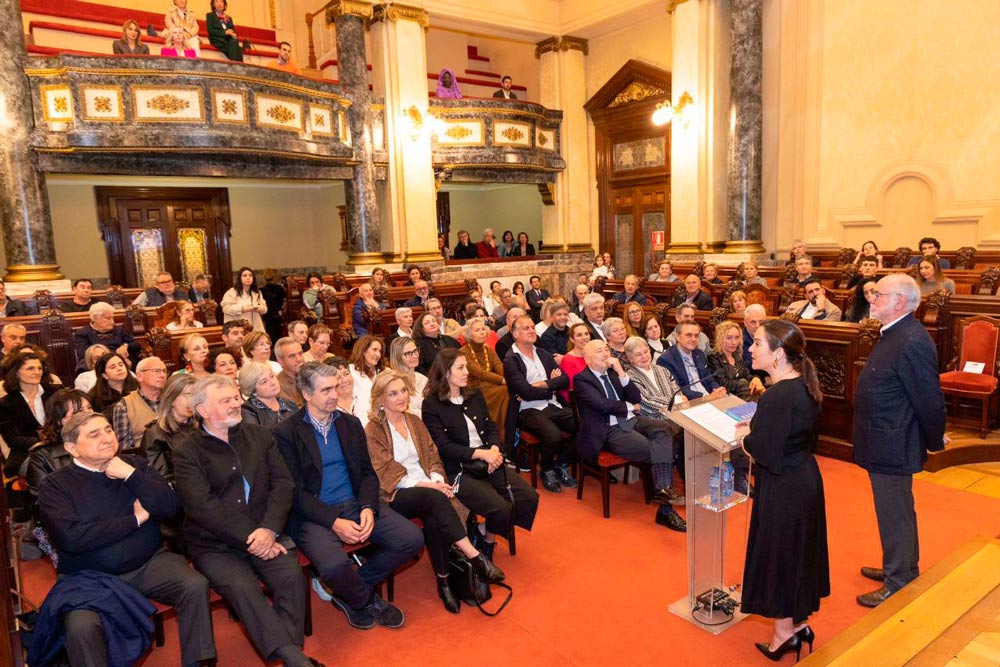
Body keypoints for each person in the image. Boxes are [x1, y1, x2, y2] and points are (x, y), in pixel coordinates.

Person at [37, 412, 216, 667]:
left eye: (108, 430)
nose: (107, 438)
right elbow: (73, 538)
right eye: (94, 434)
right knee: (81, 626)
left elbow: (169, 508)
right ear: (72, 448)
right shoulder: (56, 486)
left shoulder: (134, 465)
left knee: (194, 585)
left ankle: (198, 663)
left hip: (149, 564)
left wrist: (131, 475)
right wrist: (135, 521)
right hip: (91, 578)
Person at [173, 376, 322, 667]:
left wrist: (268, 530)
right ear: (202, 410)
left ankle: (290, 656)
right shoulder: (186, 451)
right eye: (226, 400)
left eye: (236, 397)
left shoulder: (260, 436)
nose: (236, 403)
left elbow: (283, 484)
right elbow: (202, 506)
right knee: (243, 588)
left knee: (291, 578)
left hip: (265, 531)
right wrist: (253, 536)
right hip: (214, 545)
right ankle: (295, 659)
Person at [272, 362, 422, 631]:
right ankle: (366, 601)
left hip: (355, 502)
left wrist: (367, 506)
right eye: (325, 390)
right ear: (306, 394)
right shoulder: (286, 433)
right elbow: (293, 491)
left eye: (336, 387)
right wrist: (334, 522)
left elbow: (367, 473)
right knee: (332, 566)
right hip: (314, 514)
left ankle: (349, 593)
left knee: (411, 539)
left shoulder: (350, 424)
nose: (333, 395)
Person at [365, 371, 505, 613]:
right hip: (395, 492)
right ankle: (474, 555)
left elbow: (433, 455)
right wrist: (431, 486)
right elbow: (384, 470)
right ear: (380, 399)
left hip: (428, 488)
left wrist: (437, 479)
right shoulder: (373, 429)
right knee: (434, 498)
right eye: (393, 393)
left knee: (433, 516)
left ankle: (444, 581)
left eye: (403, 391)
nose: (401, 397)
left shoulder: (414, 421)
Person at [735, 319, 829, 660]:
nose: (750, 347)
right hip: (804, 478)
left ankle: (783, 634)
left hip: (783, 487)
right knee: (798, 553)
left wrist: (747, 437)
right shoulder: (804, 385)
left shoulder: (777, 396)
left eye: (757, 343)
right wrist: (759, 426)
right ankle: (799, 623)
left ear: (777, 354)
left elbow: (762, 450)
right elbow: (788, 434)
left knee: (780, 556)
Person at [854, 274, 946, 608]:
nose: (872, 298)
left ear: (901, 302)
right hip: (881, 438)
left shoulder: (912, 339)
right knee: (892, 510)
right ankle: (899, 565)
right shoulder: (894, 333)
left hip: (893, 442)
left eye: (879, 294)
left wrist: (935, 439)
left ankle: (900, 579)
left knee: (896, 511)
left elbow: (928, 397)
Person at [423, 350, 539, 557]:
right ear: (445, 372)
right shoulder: (432, 404)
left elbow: (490, 425)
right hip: (460, 469)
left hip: (489, 460)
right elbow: (443, 447)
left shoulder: (474, 394)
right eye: (460, 368)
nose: (467, 372)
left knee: (528, 497)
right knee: (500, 508)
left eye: (466, 366)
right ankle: (488, 544)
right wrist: (481, 454)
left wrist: (494, 449)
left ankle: (484, 532)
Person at [575, 340, 686, 531]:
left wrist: (622, 373)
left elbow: (635, 397)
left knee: (663, 429)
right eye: (599, 351)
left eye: (606, 349)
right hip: (609, 429)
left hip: (631, 420)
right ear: (588, 359)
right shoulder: (582, 379)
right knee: (655, 450)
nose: (605, 353)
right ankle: (665, 508)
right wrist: (629, 407)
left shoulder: (613, 373)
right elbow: (602, 405)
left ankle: (662, 491)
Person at [503, 316, 577, 493]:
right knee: (554, 436)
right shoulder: (511, 359)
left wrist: (541, 385)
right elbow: (525, 393)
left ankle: (561, 464)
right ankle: (547, 469)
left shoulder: (542, 353)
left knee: (586, 425)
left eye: (532, 327)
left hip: (552, 404)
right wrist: (551, 386)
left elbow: (565, 380)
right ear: (514, 334)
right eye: (525, 328)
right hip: (528, 410)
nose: (531, 330)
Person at [1, 352, 59, 477]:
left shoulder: (57, 391)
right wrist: (45, 440)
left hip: (60, 445)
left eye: (39, 368)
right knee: (48, 470)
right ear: (16, 373)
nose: (37, 372)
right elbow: (13, 440)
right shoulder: (5, 403)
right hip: (26, 452)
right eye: (30, 368)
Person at [142, 373, 197, 487]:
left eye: (195, 395)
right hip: (179, 492)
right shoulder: (155, 433)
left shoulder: (202, 425)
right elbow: (160, 479)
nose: (193, 400)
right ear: (171, 399)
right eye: (187, 395)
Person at [459, 317, 509, 437]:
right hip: (475, 388)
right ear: (469, 334)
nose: (482, 332)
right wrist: (503, 380)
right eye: (477, 330)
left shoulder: (488, 350)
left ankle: (508, 430)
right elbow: (479, 373)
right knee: (506, 390)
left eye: (483, 329)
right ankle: (501, 433)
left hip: (492, 385)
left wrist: (509, 378)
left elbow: (499, 365)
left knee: (510, 389)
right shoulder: (463, 352)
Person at [657, 321, 727, 401]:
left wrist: (717, 389)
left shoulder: (699, 354)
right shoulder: (666, 360)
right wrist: (705, 397)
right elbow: (677, 389)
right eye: (689, 335)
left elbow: (709, 379)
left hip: (710, 397)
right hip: (689, 402)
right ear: (678, 337)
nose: (693, 339)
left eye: (696, 336)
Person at [110, 356, 166, 451]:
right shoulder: (124, 406)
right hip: (144, 459)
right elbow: (125, 449)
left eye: (164, 371)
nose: (162, 375)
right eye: (156, 371)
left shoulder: (173, 399)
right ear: (139, 376)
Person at [624, 335, 684, 418]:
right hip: (655, 420)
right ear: (630, 358)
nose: (644, 356)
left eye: (646, 352)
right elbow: (645, 402)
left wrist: (679, 400)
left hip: (678, 413)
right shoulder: (630, 377)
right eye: (638, 355)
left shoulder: (662, 369)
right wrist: (674, 403)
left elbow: (676, 391)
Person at [73, 302, 141, 371]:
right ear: (95, 318)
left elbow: (136, 345)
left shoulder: (118, 330)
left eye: (112, 318)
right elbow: (86, 354)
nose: (112, 322)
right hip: (99, 365)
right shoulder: (82, 333)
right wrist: (117, 355)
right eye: (108, 318)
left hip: (123, 363)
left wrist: (126, 346)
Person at [707, 321, 764, 400]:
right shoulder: (713, 357)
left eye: (737, 338)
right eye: (729, 338)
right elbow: (723, 383)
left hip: (744, 393)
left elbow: (747, 374)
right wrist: (744, 383)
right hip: (728, 396)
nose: (734, 342)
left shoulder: (737, 354)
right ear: (720, 338)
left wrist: (755, 379)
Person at [239, 361, 297, 428]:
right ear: (253, 390)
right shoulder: (248, 411)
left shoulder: (289, 404)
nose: (273, 382)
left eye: (272, 376)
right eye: (264, 382)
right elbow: (256, 437)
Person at [387, 337, 428, 417]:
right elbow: (405, 412)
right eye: (408, 353)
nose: (414, 356)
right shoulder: (393, 382)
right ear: (398, 357)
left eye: (415, 351)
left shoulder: (422, 378)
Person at [348, 335, 385, 425]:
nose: (378, 354)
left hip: (382, 420)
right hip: (360, 421)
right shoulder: (351, 371)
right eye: (374, 349)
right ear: (363, 350)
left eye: (380, 351)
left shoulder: (383, 372)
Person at [88, 351, 138, 416]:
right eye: (112, 367)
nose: (119, 369)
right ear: (104, 375)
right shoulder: (94, 397)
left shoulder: (138, 386)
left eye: (121, 364)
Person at [221, 267, 267, 332]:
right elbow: (226, 308)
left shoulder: (257, 292)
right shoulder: (232, 292)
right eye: (244, 275)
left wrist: (259, 308)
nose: (248, 277)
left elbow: (264, 308)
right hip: (238, 327)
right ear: (240, 278)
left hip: (256, 327)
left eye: (250, 275)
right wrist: (242, 309)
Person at [414, 311, 460, 375]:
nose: (432, 324)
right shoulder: (417, 344)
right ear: (421, 328)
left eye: (434, 321)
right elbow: (418, 367)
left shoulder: (449, 339)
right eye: (427, 323)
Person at [557, 322, 591, 404]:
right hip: (580, 401)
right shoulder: (568, 360)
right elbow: (570, 390)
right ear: (572, 339)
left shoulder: (592, 356)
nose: (584, 338)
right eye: (579, 335)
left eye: (586, 334)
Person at [275, 336, 305, 407]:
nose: (299, 359)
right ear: (281, 361)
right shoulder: (277, 387)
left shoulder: (312, 377)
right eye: (292, 356)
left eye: (300, 353)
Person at [261, 269, 287, 344]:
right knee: (280, 336)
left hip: (268, 317)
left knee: (270, 336)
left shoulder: (262, 290)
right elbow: (284, 302)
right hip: (279, 316)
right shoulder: (280, 289)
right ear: (274, 277)